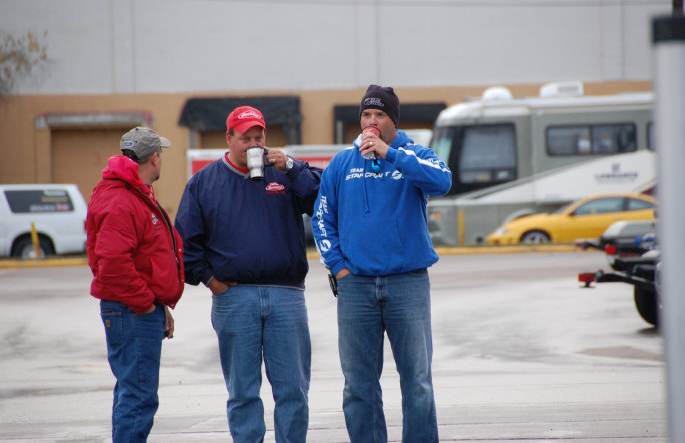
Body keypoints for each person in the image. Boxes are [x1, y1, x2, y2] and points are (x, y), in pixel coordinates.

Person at [312, 84, 452, 442]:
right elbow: (322, 219)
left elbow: (443, 181)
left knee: (417, 381)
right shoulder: (342, 164)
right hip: (356, 286)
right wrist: (339, 267)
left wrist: (391, 154)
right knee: (358, 385)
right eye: (366, 114)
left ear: (393, 120)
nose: (371, 121)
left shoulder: (413, 155)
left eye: (379, 114)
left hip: (407, 283)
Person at [174, 105, 322, 443]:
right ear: (229, 138)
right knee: (243, 392)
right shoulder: (204, 182)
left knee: (293, 390)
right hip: (234, 298)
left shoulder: (283, 174)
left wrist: (293, 168)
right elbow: (185, 242)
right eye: (245, 138)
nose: (254, 144)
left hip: (286, 295)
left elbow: (322, 199)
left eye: (259, 137)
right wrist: (210, 280)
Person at [86, 127, 185, 442]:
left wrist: (160, 306)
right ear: (154, 158)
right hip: (131, 311)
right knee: (139, 396)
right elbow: (113, 263)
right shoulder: (121, 197)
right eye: (161, 155)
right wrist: (145, 304)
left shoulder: (131, 191)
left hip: (136, 308)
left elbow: (141, 258)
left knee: (133, 391)